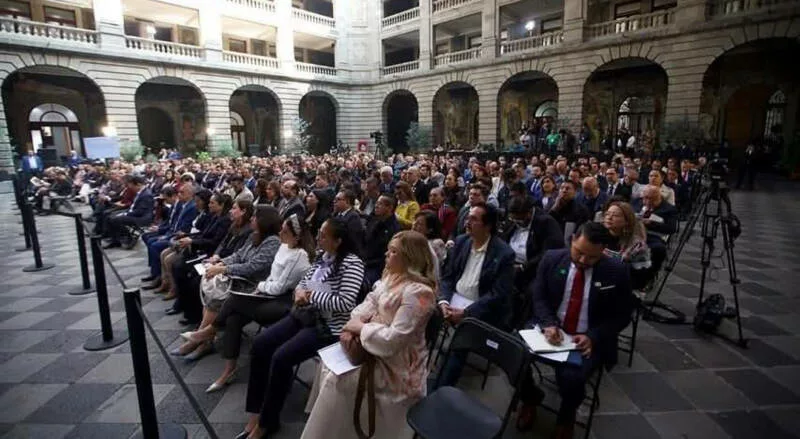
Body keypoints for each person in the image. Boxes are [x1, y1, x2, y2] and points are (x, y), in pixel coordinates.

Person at [302, 231, 437, 439]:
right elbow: (366, 305)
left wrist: (361, 328)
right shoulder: (390, 277)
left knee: (336, 380)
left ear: (410, 258)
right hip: (373, 345)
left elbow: (394, 340)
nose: (386, 255)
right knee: (326, 364)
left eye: (393, 252)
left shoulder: (419, 293)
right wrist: (359, 322)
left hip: (398, 366)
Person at [238, 218, 365, 439]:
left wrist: (312, 296)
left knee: (281, 358)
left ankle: (268, 422)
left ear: (338, 241)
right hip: (304, 314)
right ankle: (256, 410)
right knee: (260, 345)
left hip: (328, 326)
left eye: (324, 235)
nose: (318, 237)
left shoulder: (352, 263)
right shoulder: (322, 257)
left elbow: (346, 302)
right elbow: (303, 282)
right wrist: (299, 292)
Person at [516, 223, 634, 437]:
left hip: (586, 339)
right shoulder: (552, 258)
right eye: (579, 253)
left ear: (602, 251)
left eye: (591, 258)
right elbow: (539, 295)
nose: (582, 261)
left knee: (571, 379)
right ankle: (530, 398)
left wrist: (594, 337)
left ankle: (566, 416)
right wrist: (548, 323)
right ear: (572, 240)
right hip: (549, 327)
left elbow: (622, 315)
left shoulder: (616, 271)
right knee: (513, 357)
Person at [180, 214, 315, 393]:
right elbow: (268, 275)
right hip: (267, 293)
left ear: (296, 236)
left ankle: (208, 332)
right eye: (281, 228)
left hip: (283, 303)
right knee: (233, 318)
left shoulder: (299, 256)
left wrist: (259, 286)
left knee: (234, 300)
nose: (280, 232)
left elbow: (280, 288)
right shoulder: (283, 246)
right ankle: (228, 369)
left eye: (285, 230)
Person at [178, 206, 283, 361]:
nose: (252, 219)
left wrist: (224, 269)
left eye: (255, 217)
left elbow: (253, 267)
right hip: (240, 278)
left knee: (215, 299)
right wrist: (220, 263)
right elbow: (239, 255)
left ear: (264, 221)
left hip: (253, 284)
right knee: (211, 296)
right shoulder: (255, 236)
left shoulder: (272, 242)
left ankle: (201, 338)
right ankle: (202, 339)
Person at [437, 202, 516, 386]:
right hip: (454, 300)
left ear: (487, 225)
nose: (467, 221)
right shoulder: (462, 242)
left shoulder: (504, 254)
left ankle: (441, 391)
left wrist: (467, 313)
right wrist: (443, 301)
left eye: (473, 219)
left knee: (459, 343)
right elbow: (448, 277)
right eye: (467, 217)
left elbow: (498, 294)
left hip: (481, 309)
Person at [173, 200, 254, 325]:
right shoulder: (233, 225)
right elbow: (223, 243)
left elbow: (238, 253)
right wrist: (216, 254)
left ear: (243, 211)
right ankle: (187, 310)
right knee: (186, 271)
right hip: (217, 259)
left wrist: (219, 261)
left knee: (196, 281)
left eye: (234, 208)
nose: (231, 211)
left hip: (226, 264)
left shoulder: (248, 230)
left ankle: (199, 317)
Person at [500, 196, 564, 324]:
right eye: (513, 219)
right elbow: (502, 240)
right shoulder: (512, 221)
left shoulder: (546, 223)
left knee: (532, 292)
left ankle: (520, 324)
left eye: (519, 219)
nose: (516, 222)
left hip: (534, 269)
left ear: (529, 213)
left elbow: (549, 253)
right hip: (511, 263)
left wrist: (524, 267)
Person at [166, 193, 233, 314]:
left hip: (209, 254)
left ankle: (190, 310)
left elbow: (214, 242)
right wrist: (188, 236)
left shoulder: (225, 221)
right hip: (203, 250)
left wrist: (192, 241)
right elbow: (203, 234)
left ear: (221, 205)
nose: (209, 205)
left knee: (188, 272)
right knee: (177, 266)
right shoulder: (214, 217)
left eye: (212, 203)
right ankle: (182, 303)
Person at [142, 184, 198, 291]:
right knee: (147, 237)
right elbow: (171, 223)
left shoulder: (191, 207)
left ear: (190, 194)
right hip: (172, 232)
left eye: (182, 193)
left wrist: (166, 235)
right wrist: (160, 230)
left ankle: (159, 276)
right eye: (179, 192)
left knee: (155, 244)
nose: (179, 195)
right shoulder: (183, 205)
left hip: (179, 236)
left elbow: (184, 228)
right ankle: (156, 272)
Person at [601, 200, 652, 290]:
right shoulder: (596, 234)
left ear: (627, 221)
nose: (609, 217)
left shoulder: (637, 246)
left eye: (615, 215)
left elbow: (640, 278)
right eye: (607, 214)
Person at [103, 175, 154, 249]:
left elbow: (140, 211)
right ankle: (116, 240)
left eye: (132, 186)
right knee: (110, 216)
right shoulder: (140, 192)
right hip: (134, 213)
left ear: (138, 185)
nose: (131, 188)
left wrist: (126, 214)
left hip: (142, 218)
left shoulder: (146, 195)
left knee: (116, 219)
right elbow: (134, 207)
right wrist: (125, 212)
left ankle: (129, 237)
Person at [363, 195, 401, 287]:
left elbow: (387, 255)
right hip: (364, 261)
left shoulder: (395, 229)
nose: (376, 206)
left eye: (380, 204)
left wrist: (367, 263)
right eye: (376, 203)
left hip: (379, 267)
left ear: (390, 207)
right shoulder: (373, 221)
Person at [333, 189, 365, 255]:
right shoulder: (337, 215)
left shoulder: (353, 217)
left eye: (338, 199)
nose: (334, 201)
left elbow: (352, 241)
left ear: (347, 201)